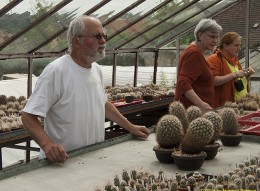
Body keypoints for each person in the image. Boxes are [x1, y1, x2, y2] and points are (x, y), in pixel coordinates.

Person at [21, 15, 150, 164]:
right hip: (63, 162)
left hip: (93, 157)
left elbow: (103, 104)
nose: (103, 41)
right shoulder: (57, 71)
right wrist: (48, 145)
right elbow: (28, 116)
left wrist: (131, 127)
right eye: (96, 36)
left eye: (104, 36)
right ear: (76, 41)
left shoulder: (96, 69)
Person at [174, 18, 222, 110]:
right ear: (200, 35)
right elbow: (183, 82)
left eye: (216, 37)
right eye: (212, 36)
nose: (215, 41)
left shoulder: (196, 52)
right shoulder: (194, 53)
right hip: (193, 112)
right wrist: (201, 104)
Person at [207, 32, 255, 108]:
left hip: (240, 106)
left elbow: (239, 79)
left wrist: (247, 73)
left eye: (239, 45)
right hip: (225, 107)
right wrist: (235, 75)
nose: (239, 48)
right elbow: (213, 81)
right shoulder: (214, 59)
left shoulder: (234, 60)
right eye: (236, 45)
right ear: (225, 46)